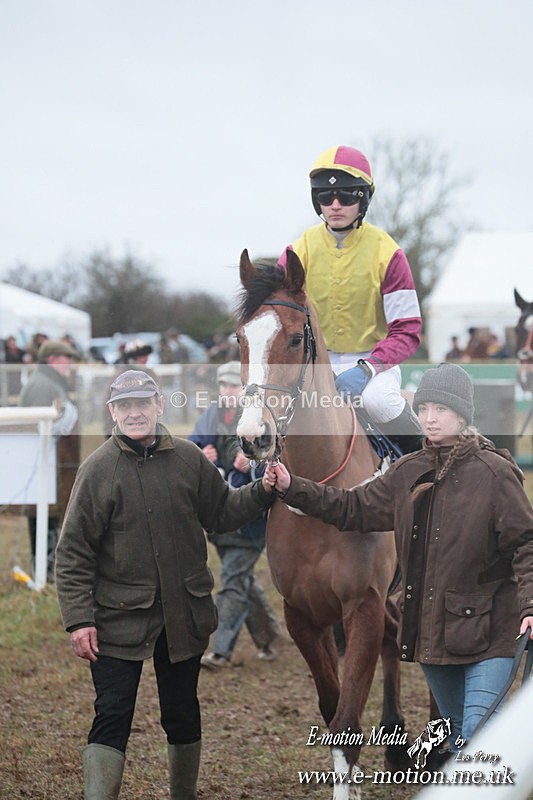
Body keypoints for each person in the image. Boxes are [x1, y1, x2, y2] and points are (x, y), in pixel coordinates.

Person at [264, 363, 533, 749]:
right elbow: (351, 507)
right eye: (423, 410)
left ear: (462, 415)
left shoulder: (494, 473)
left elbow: (526, 542)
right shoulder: (406, 471)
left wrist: (530, 604)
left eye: (441, 410)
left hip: (491, 632)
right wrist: (294, 488)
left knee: (478, 736)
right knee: (459, 735)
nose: (429, 418)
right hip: (431, 632)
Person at [55, 369, 276, 800]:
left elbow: (223, 512)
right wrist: (79, 620)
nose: (134, 413)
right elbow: (73, 552)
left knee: (182, 714)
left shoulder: (189, 458)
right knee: (113, 715)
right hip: (117, 621)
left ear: (160, 405)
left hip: (183, 614)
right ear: (112, 412)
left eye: (143, 403)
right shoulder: (97, 469)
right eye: (124, 406)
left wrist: (263, 490)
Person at [279, 144, 423, 452]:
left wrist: (368, 368)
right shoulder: (297, 252)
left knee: (379, 401)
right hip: (315, 362)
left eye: (345, 196)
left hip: (373, 363)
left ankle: (425, 465)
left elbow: (407, 330)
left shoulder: (389, 253)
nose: (334, 205)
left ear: (364, 198)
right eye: (324, 197)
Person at [189, 361, 281, 669]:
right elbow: (190, 448)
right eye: (224, 386)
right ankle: (270, 636)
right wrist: (202, 456)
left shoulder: (263, 418)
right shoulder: (213, 415)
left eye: (235, 386)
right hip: (218, 519)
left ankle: (220, 651)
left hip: (250, 520)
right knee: (241, 580)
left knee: (231, 581)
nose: (229, 392)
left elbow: (276, 463)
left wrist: (252, 464)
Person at [18, 338, 80, 580]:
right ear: (53, 359)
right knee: (44, 518)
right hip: (44, 465)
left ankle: (49, 570)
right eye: (67, 358)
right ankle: (45, 571)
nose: (70, 364)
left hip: (53, 464)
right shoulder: (43, 385)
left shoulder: (51, 382)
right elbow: (40, 429)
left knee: (51, 518)